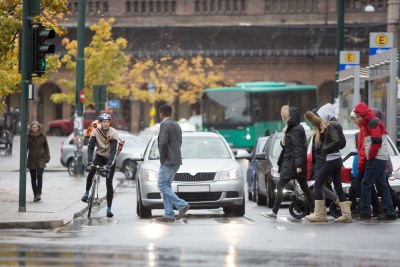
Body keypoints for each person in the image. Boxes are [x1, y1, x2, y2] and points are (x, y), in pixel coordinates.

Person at [305, 103, 352, 223]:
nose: (320, 117)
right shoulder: (337, 124)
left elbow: (336, 141)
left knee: (318, 184)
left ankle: (319, 214)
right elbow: (342, 142)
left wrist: (325, 148)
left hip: (331, 160)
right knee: (338, 187)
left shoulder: (330, 125)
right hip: (337, 160)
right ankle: (346, 214)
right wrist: (333, 148)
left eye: (321, 115)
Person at [266, 105, 314, 219]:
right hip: (292, 162)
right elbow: (291, 146)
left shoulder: (295, 129)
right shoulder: (293, 128)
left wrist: (298, 165)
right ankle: (314, 211)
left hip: (292, 163)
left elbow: (298, 148)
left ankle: (274, 212)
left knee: (281, 185)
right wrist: (283, 143)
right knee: (304, 187)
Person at [352, 103, 396, 220]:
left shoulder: (372, 123)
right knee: (382, 186)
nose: (358, 120)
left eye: (358, 116)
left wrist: (370, 156)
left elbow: (376, 141)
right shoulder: (373, 122)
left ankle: (365, 211)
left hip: (375, 158)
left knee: (366, 184)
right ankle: (389, 211)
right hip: (380, 158)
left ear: (362, 115)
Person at [155, 104, 190, 222]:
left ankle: (182, 205)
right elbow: (179, 142)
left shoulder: (164, 124)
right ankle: (169, 214)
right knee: (167, 186)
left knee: (161, 185)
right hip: (176, 160)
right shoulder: (176, 124)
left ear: (161, 114)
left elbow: (163, 143)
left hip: (168, 160)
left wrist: (162, 158)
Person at [81, 113, 119, 218]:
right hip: (99, 156)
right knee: (92, 171)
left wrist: (108, 165)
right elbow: (91, 147)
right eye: (104, 122)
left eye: (107, 122)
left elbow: (113, 151)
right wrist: (89, 160)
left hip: (110, 159)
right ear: (100, 123)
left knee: (109, 183)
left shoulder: (114, 133)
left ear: (109, 122)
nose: (106, 124)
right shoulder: (95, 132)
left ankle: (109, 209)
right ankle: (86, 192)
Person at [27, 121, 50, 202]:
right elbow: (25, 149)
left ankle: (38, 193)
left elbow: (46, 147)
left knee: (39, 175)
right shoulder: (28, 136)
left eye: (36, 127)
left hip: (41, 159)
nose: (34, 129)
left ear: (38, 128)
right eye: (33, 127)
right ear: (31, 128)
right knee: (33, 177)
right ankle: (35, 194)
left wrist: (47, 157)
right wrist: (24, 159)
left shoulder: (43, 136)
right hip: (31, 159)